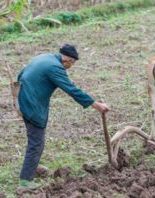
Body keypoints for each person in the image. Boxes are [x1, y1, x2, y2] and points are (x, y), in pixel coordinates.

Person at [17, 44, 110, 189]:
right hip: (32, 104)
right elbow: (71, 89)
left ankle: (32, 167)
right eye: (71, 64)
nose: (70, 67)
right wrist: (95, 104)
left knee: (35, 139)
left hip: (24, 99)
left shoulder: (45, 57)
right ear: (67, 60)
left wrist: (19, 99)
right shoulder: (55, 67)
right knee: (37, 142)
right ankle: (25, 180)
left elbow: (21, 74)